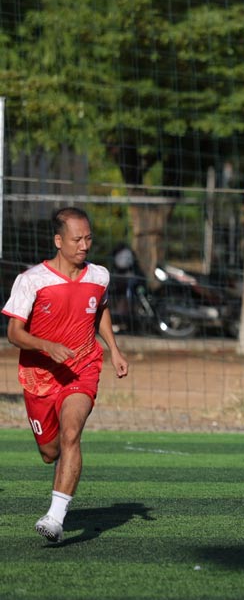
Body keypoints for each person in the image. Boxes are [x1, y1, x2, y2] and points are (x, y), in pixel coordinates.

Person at [2, 206, 129, 543]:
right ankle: (60, 478)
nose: (84, 245)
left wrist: (113, 349)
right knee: (50, 452)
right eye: (77, 239)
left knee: (72, 433)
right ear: (59, 241)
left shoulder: (99, 276)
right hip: (39, 377)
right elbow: (14, 333)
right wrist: (46, 346)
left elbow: (99, 308)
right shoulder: (32, 281)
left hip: (82, 367)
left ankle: (55, 517)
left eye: (88, 238)